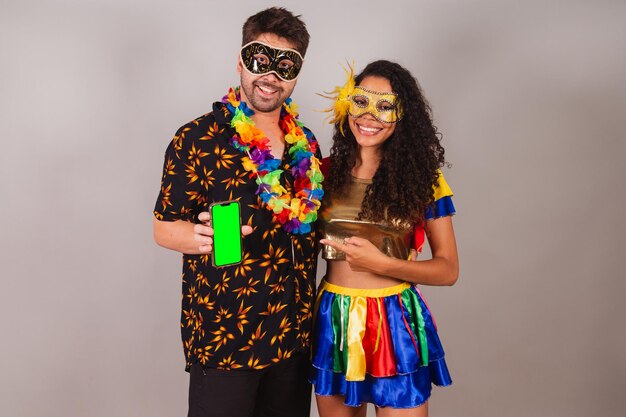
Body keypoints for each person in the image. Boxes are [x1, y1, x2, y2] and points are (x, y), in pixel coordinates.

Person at [152, 7, 324, 417]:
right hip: (225, 338)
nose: (270, 76)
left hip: (292, 339)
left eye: (285, 66)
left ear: (296, 74)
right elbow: (162, 228)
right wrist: (200, 238)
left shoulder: (307, 145)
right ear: (240, 61)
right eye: (259, 61)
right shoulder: (195, 137)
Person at [309, 60, 459, 417]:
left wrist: (384, 264)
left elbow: (448, 269)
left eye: (385, 106)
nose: (369, 115)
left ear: (402, 116)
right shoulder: (321, 174)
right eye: (361, 102)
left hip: (394, 320)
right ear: (347, 105)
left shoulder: (424, 181)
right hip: (335, 320)